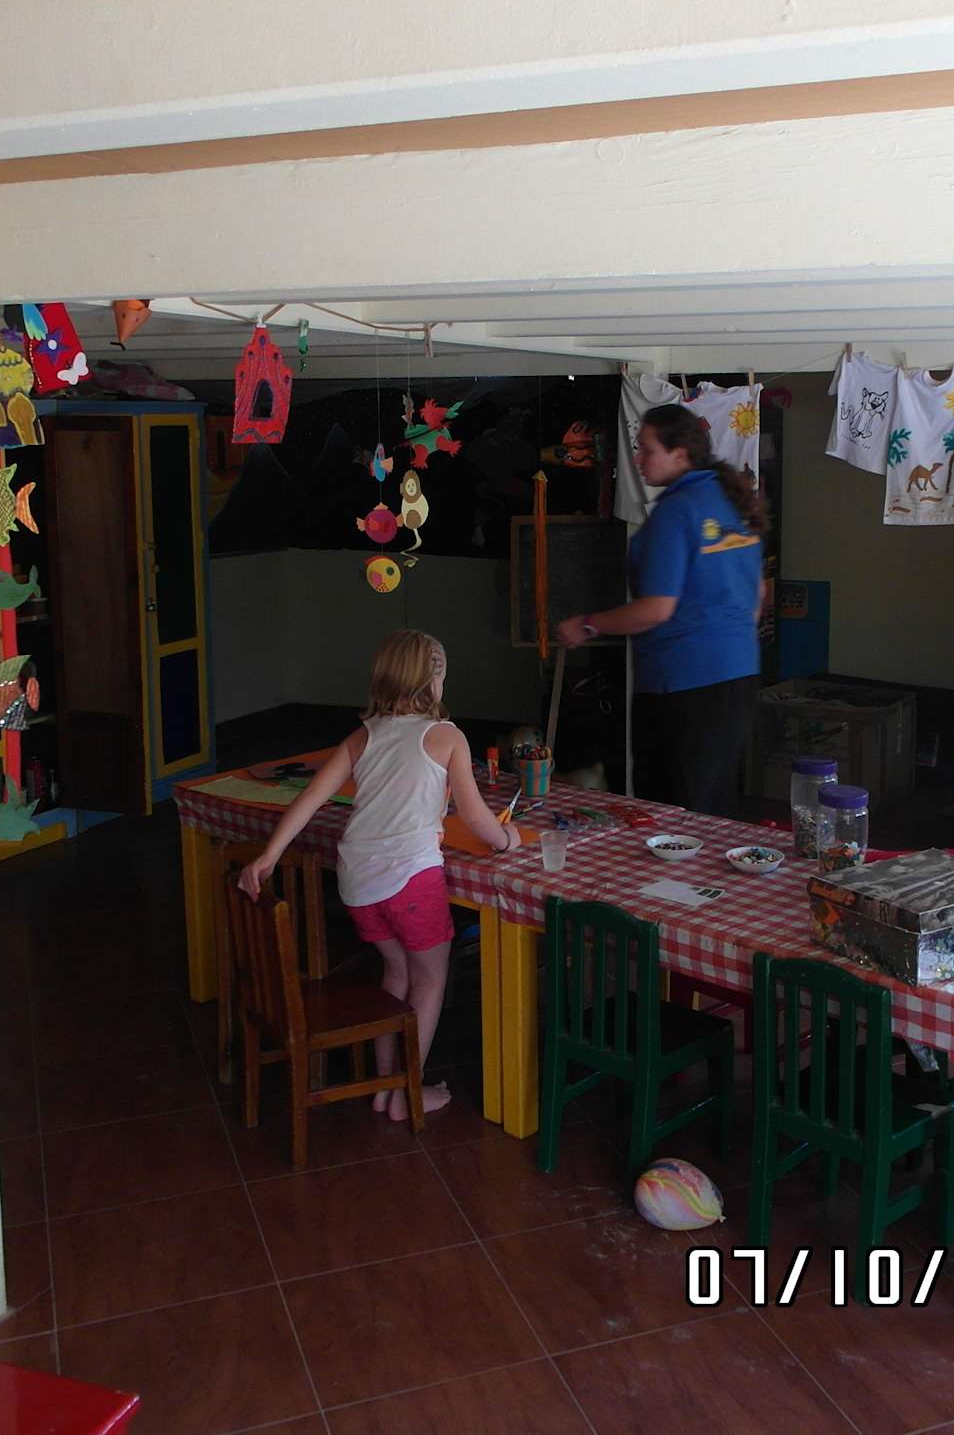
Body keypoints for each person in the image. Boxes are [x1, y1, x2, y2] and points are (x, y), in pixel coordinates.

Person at [236, 630, 519, 1121]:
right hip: (410, 880)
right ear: (432, 680)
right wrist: (508, 839)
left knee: (396, 972)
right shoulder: (445, 735)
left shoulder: (363, 736)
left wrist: (268, 856)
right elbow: (477, 820)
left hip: (358, 881)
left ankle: (386, 1088)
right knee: (430, 978)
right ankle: (407, 1095)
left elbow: (310, 797)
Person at [558, 403, 767, 816]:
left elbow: (656, 609)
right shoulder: (731, 499)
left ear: (680, 453)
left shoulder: (678, 509)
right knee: (713, 809)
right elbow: (758, 593)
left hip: (683, 685)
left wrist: (588, 624)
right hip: (738, 679)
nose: (637, 459)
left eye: (646, 449)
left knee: (675, 816)